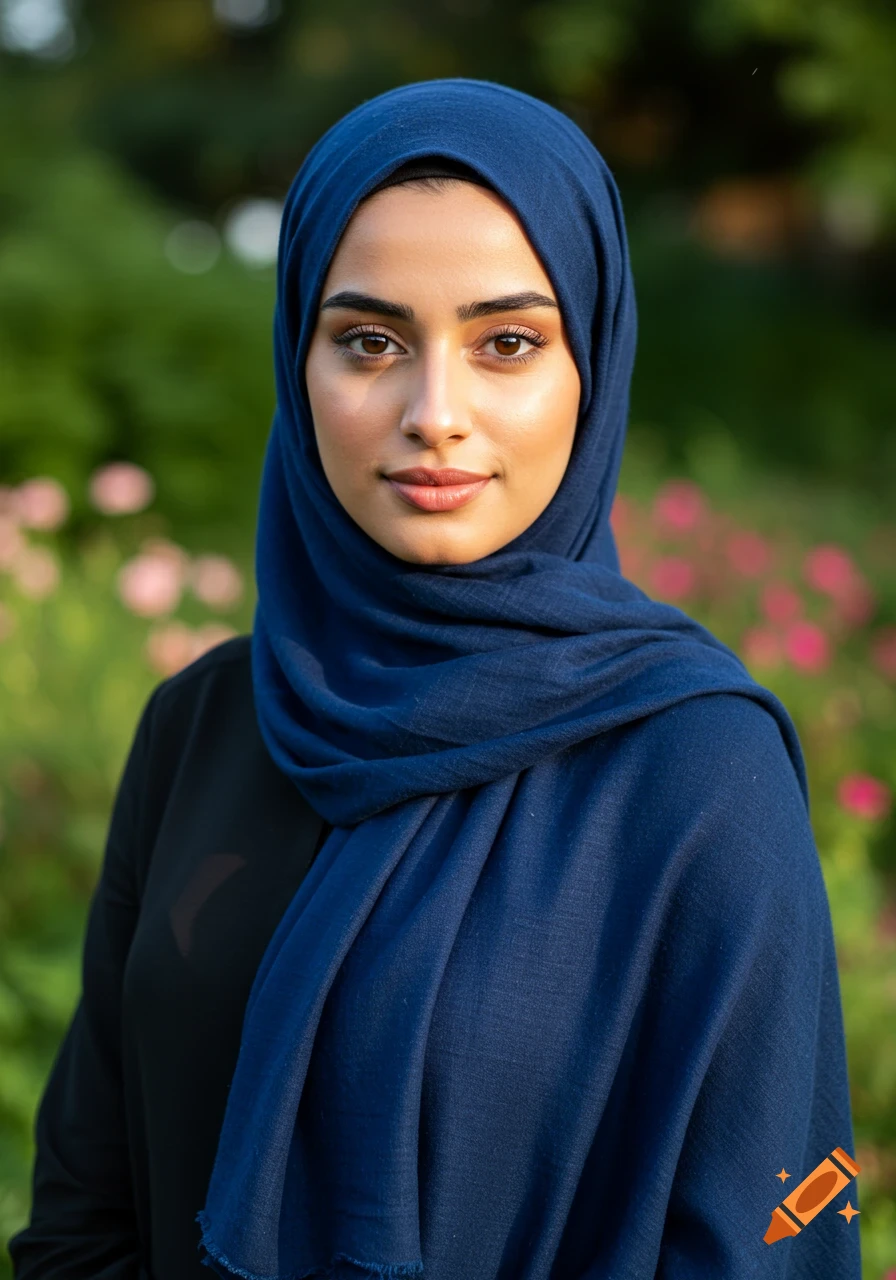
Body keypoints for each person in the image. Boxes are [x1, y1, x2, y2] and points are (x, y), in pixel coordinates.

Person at [8, 79, 860, 1280]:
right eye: (368, 341)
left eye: (506, 342)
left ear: (591, 365)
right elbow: (83, 1214)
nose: (433, 413)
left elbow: (757, 1243)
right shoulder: (203, 723)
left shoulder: (694, 769)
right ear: (297, 361)